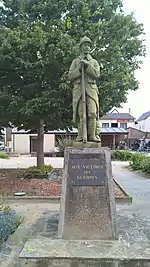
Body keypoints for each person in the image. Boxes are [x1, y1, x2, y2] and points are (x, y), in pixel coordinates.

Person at [68, 36, 101, 142]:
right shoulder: (75, 61)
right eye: (85, 45)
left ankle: (92, 135)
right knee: (81, 113)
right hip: (79, 90)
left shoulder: (94, 62)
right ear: (81, 47)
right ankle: (81, 135)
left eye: (88, 45)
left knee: (92, 112)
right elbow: (71, 76)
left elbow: (97, 74)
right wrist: (79, 68)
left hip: (91, 90)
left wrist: (87, 66)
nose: (87, 47)